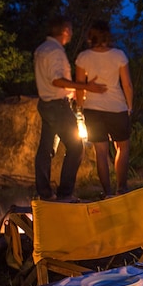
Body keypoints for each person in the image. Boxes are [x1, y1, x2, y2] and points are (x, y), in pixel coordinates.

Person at [34, 17, 106, 200]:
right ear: (65, 30)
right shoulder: (55, 52)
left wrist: (71, 91)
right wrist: (85, 87)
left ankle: (44, 193)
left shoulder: (42, 49)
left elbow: (51, 80)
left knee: (46, 149)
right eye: (71, 30)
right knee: (75, 147)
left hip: (46, 103)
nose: (72, 34)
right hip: (57, 106)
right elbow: (56, 79)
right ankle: (65, 194)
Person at [75, 21, 134, 197]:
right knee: (122, 148)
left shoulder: (83, 57)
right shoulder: (118, 55)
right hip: (116, 107)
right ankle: (121, 188)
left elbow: (80, 86)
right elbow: (127, 84)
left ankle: (107, 191)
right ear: (107, 36)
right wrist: (129, 106)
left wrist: (80, 108)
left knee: (100, 151)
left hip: (93, 109)